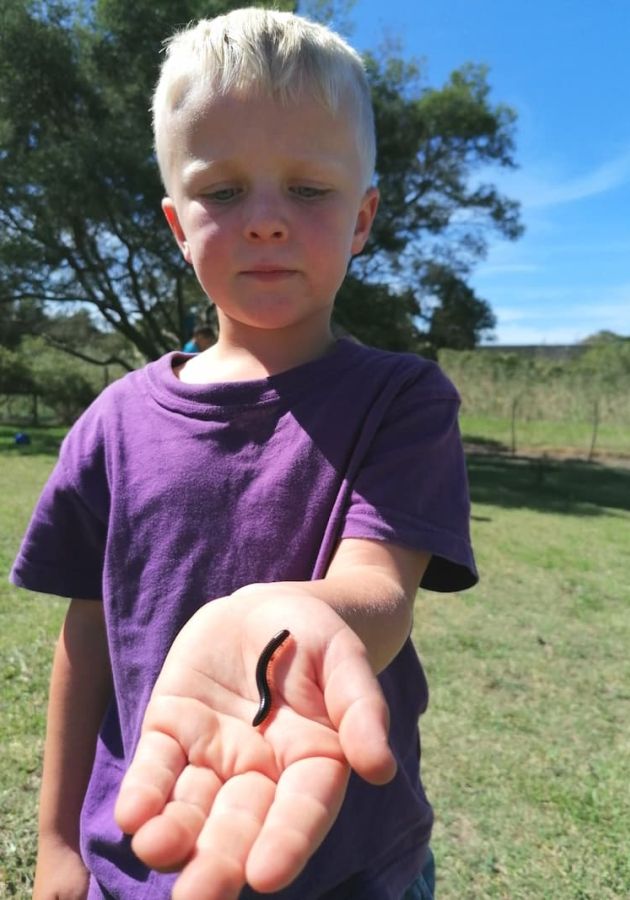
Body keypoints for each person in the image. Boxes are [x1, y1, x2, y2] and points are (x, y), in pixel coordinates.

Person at [10, 8, 477, 900]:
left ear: (364, 217)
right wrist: (56, 839)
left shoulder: (404, 400)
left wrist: (288, 616)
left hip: (351, 865)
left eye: (308, 190)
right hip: (144, 850)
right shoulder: (109, 424)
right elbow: (85, 640)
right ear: (178, 227)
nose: (264, 220)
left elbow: (380, 590)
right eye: (222, 192)